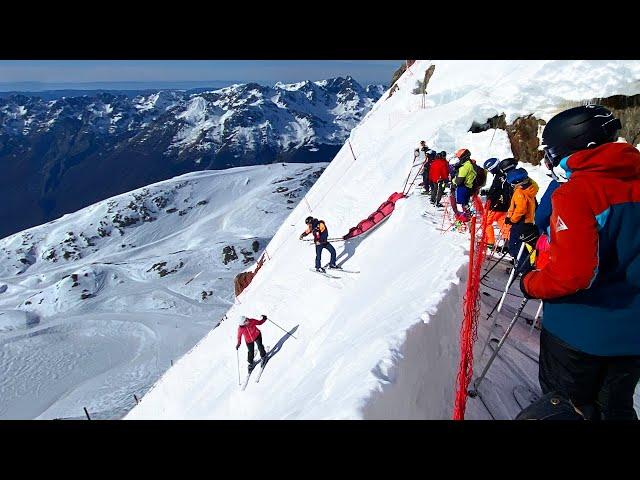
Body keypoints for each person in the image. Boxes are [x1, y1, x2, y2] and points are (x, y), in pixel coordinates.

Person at [520, 104, 640, 420]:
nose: (549, 159)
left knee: (565, 408)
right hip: (632, 334)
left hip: (578, 332)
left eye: (551, 151)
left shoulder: (576, 192)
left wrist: (530, 283)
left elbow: (572, 275)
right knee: (616, 408)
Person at [504, 167, 539, 267]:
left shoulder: (519, 192)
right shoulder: (530, 188)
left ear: (517, 182)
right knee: (521, 245)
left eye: (512, 184)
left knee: (514, 247)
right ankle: (522, 265)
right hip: (528, 221)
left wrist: (512, 219)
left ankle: (523, 268)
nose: (512, 186)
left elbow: (521, 209)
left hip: (520, 223)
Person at [482, 157, 514, 250]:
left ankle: (490, 242)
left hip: (495, 205)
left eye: (490, 170)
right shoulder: (505, 174)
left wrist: (491, 198)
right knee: (503, 224)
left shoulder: (499, 176)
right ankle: (508, 243)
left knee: (487, 223)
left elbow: (497, 191)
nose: (490, 172)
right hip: (504, 205)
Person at [453, 148, 477, 221]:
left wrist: (453, 181)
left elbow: (459, 181)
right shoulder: (470, 164)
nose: (459, 159)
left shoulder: (465, 167)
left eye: (459, 158)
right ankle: (467, 216)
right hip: (468, 187)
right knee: (465, 203)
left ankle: (463, 218)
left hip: (462, 187)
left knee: (460, 204)